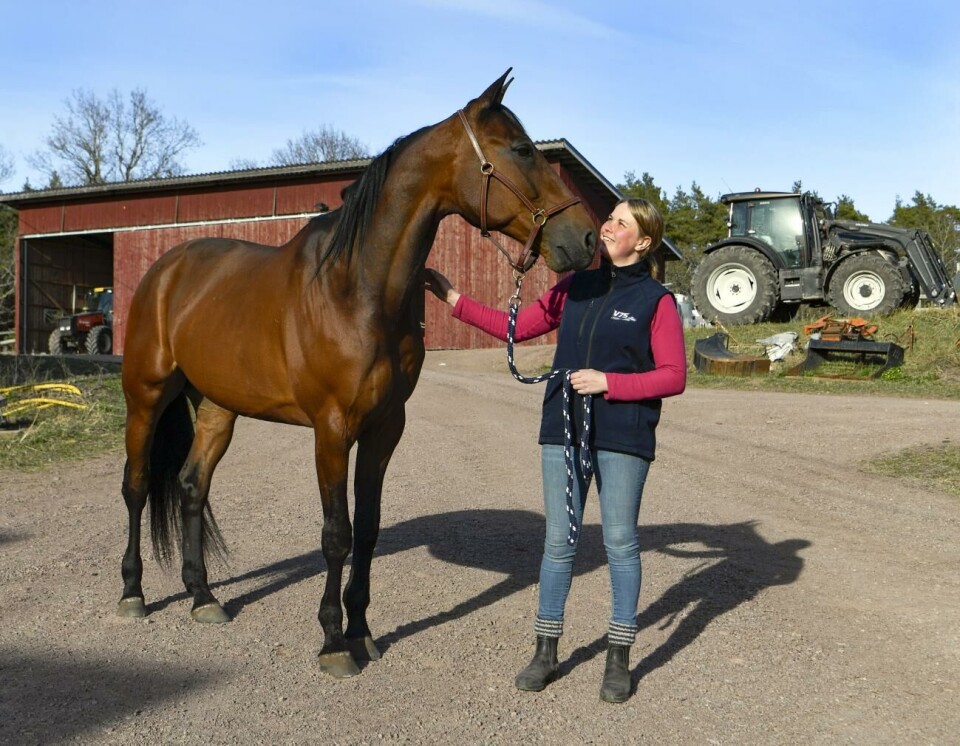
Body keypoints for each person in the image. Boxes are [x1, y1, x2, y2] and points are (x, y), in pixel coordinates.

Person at [424, 198, 687, 703]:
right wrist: (454, 299)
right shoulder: (574, 287)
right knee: (558, 542)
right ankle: (545, 652)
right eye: (609, 218)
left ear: (645, 242)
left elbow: (673, 376)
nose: (607, 227)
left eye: (621, 223)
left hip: (623, 434)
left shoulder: (657, 301)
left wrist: (610, 382)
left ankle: (618, 658)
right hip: (563, 428)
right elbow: (516, 327)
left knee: (620, 544)